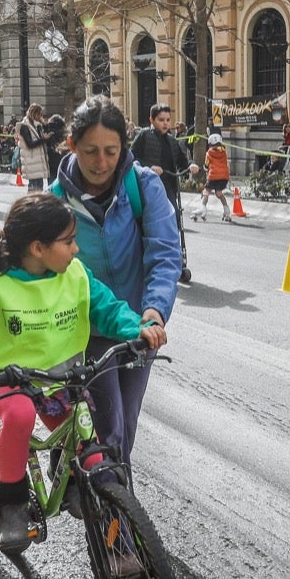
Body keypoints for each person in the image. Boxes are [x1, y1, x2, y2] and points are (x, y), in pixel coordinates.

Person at [0, 193, 167, 550]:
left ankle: (83, 486)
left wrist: (137, 328)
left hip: (65, 380)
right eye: (68, 242)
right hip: (11, 383)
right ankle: (12, 502)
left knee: (92, 449)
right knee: (19, 416)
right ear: (37, 248)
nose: (76, 249)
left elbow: (108, 308)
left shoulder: (75, 275)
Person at [50, 97, 181, 471]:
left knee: (126, 425)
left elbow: (164, 254)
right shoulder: (55, 202)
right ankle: (113, 514)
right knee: (112, 433)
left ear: (124, 146)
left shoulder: (144, 186)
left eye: (111, 151)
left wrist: (155, 311)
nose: (102, 162)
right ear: (72, 145)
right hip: (84, 330)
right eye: (91, 151)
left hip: (138, 326)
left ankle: (106, 505)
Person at [131, 103, 200, 283]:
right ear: (152, 120)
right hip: (147, 188)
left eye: (168, 120)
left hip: (168, 187)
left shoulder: (172, 141)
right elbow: (131, 158)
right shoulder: (144, 136)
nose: (165, 123)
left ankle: (175, 261)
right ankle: (145, 261)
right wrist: (148, 168)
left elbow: (182, 160)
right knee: (148, 224)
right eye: (161, 120)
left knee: (173, 221)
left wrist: (190, 165)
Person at [195, 132, 232, 221]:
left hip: (213, 176)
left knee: (206, 192)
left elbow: (206, 165)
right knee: (219, 193)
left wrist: (204, 168)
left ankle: (203, 209)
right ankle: (227, 211)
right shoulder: (224, 152)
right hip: (224, 176)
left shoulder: (209, 153)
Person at [16, 104, 51, 190]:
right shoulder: (25, 126)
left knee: (39, 187)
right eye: (39, 114)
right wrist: (43, 139)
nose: (40, 117)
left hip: (38, 161)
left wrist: (44, 125)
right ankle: (31, 203)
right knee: (34, 187)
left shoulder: (37, 125)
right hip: (31, 161)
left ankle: (36, 203)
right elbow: (30, 144)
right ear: (33, 114)